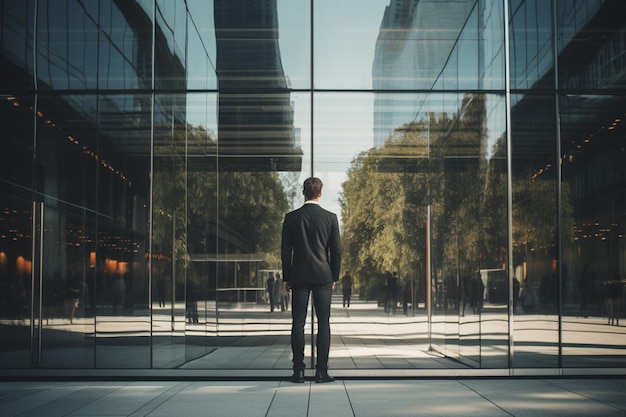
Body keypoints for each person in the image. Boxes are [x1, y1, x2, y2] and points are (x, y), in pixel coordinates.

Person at [281, 177, 341, 383]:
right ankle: (322, 371)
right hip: (323, 275)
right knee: (323, 323)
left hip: (298, 276)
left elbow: (286, 250)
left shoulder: (291, 218)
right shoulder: (330, 218)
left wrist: (286, 277)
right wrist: (334, 275)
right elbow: (336, 250)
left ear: (302, 192)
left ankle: (298, 371)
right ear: (320, 193)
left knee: (298, 323)